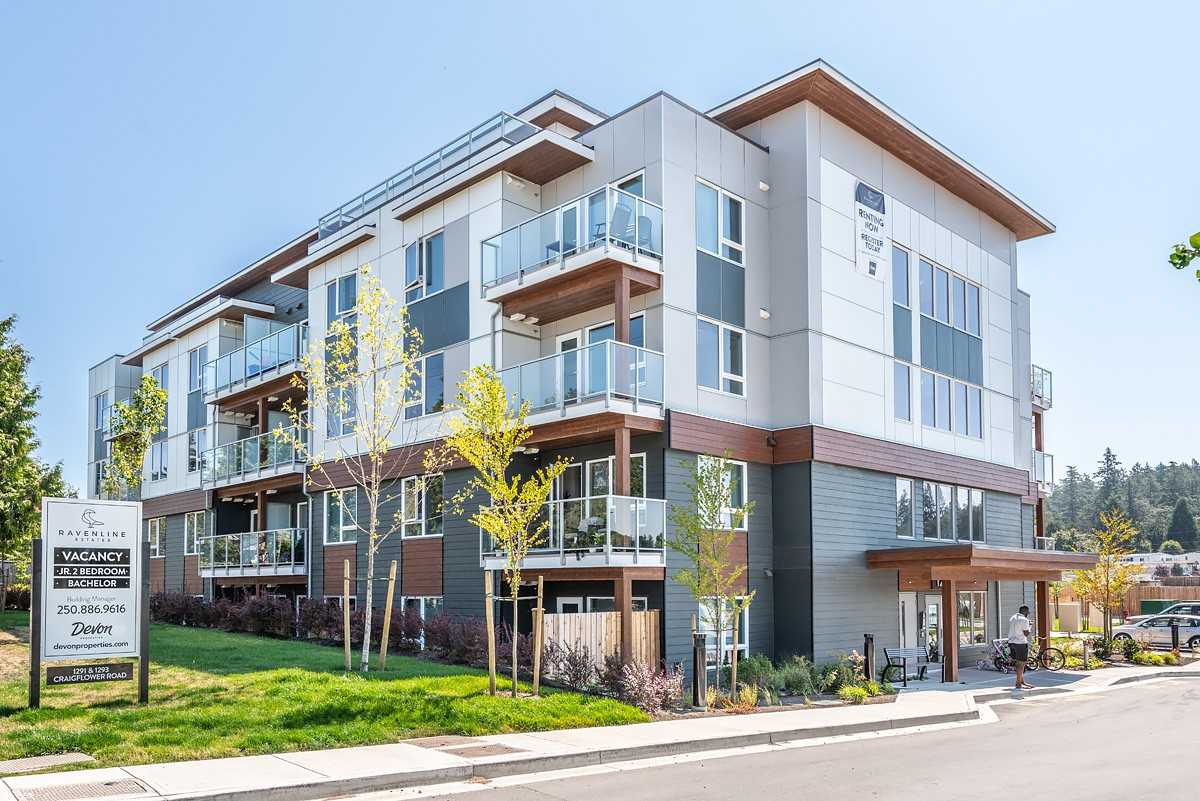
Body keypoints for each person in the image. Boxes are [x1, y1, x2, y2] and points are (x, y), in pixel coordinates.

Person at [1007, 604, 1033, 690]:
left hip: (1011, 643)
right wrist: (1030, 625)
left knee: (1018, 663)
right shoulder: (1024, 620)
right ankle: (1018, 683)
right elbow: (1026, 633)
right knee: (1021, 664)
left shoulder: (1013, 617)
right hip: (1020, 643)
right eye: (1027, 613)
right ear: (1025, 612)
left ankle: (1021, 681)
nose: (1028, 614)